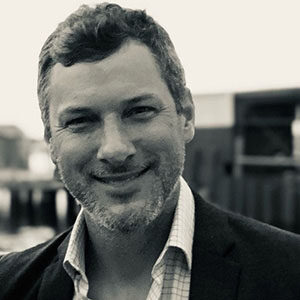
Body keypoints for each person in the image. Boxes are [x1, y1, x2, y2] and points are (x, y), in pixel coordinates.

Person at [1, 3, 300, 300]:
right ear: (51, 140)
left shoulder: (289, 273)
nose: (115, 149)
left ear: (186, 115)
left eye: (139, 111)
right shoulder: (9, 285)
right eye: (80, 120)